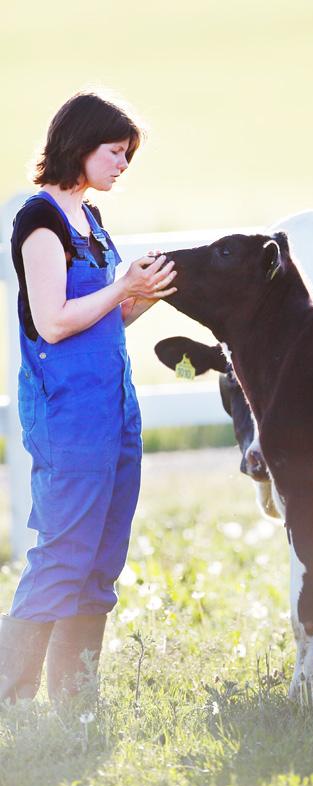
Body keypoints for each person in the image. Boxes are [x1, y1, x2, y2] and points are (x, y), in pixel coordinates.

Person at [0, 91, 177, 703]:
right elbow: (52, 322)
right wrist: (119, 286)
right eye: (115, 151)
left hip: (114, 407)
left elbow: (99, 321)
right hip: (67, 413)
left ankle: (77, 700)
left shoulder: (92, 220)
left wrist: (140, 298)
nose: (123, 164)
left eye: (127, 154)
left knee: (102, 556)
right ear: (79, 145)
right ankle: (11, 700)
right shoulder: (39, 219)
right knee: (63, 552)